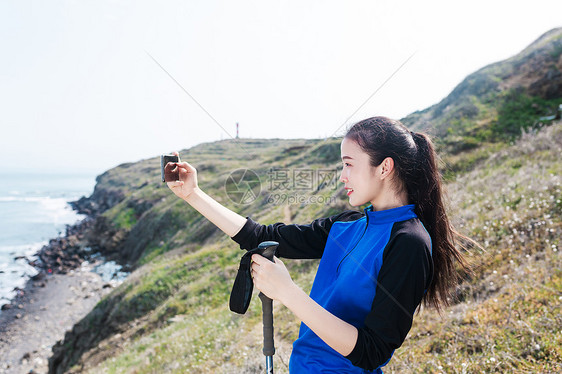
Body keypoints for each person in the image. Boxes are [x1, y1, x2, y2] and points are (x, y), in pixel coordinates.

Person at [167, 116, 473, 373]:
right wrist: (192, 195)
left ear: (384, 168)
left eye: (349, 164)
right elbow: (260, 236)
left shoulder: (409, 243)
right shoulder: (349, 225)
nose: (342, 175)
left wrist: (287, 292)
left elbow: (373, 351)